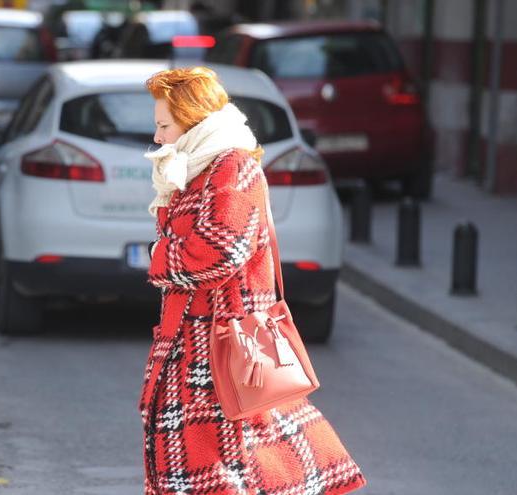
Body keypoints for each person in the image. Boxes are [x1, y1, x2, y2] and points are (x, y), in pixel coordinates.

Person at [140, 67, 367, 494]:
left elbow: (220, 251)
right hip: (192, 344)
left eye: (164, 125)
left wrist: (158, 257)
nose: (158, 138)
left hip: (220, 346)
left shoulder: (233, 167)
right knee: (208, 471)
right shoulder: (195, 169)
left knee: (222, 472)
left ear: (193, 121)